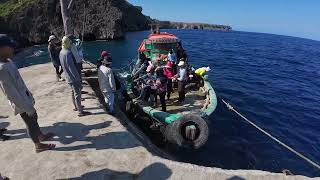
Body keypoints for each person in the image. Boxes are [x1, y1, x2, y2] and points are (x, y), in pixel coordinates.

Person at [0, 34, 55, 152]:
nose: (13, 49)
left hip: (25, 97)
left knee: (34, 118)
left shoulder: (9, 61)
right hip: (20, 103)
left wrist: (29, 95)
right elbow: (11, 93)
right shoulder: (2, 69)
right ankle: (37, 145)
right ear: (2, 49)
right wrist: (27, 107)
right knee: (30, 122)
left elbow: (20, 82)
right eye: (10, 47)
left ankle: (40, 135)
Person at [59, 36, 91, 117]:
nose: (71, 44)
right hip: (73, 78)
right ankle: (80, 111)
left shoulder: (61, 52)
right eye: (70, 42)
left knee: (73, 92)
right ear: (68, 43)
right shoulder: (68, 53)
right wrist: (78, 79)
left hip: (68, 77)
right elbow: (72, 68)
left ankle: (76, 107)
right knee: (77, 94)